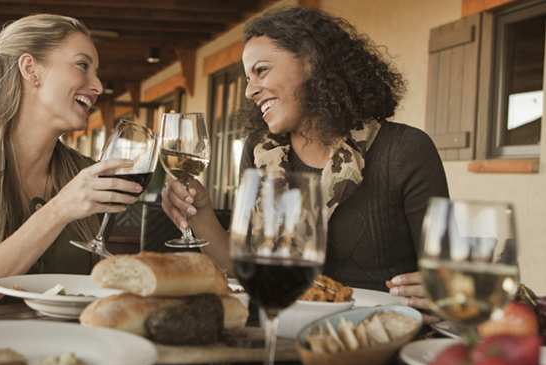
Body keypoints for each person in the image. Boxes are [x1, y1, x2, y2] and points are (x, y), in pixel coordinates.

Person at [161, 7, 449, 318]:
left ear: (312, 62)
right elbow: (241, 266)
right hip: (280, 331)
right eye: (247, 77)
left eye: (261, 70)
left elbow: (448, 278)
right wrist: (199, 210)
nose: (249, 90)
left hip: (378, 338)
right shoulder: (261, 153)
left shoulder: (405, 150)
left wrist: (443, 289)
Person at [0, 14, 143, 312]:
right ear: (31, 70)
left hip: (67, 352)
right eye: (82, 66)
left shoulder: (83, 172)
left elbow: (91, 291)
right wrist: (59, 209)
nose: (97, 85)